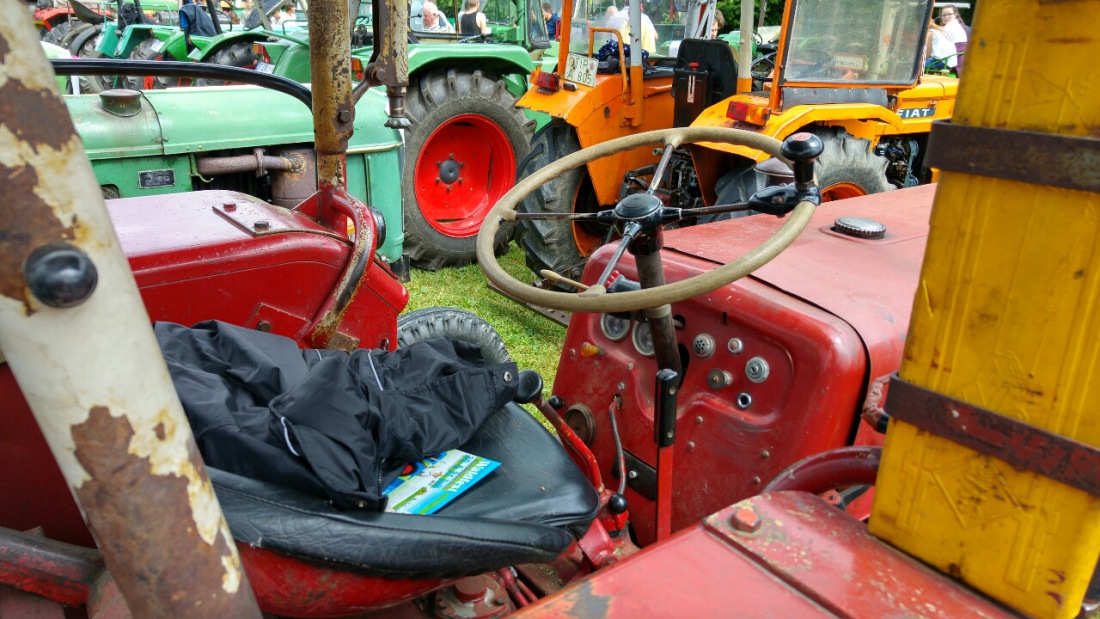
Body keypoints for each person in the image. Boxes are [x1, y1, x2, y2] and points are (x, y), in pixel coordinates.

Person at [938, 6, 967, 74]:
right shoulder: (956, 24)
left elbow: (940, 46)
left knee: (925, 64)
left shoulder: (950, 26)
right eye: (944, 15)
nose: (946, 17)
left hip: (953, 56)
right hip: (957, 55)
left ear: (955, 14)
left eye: (949, 14)